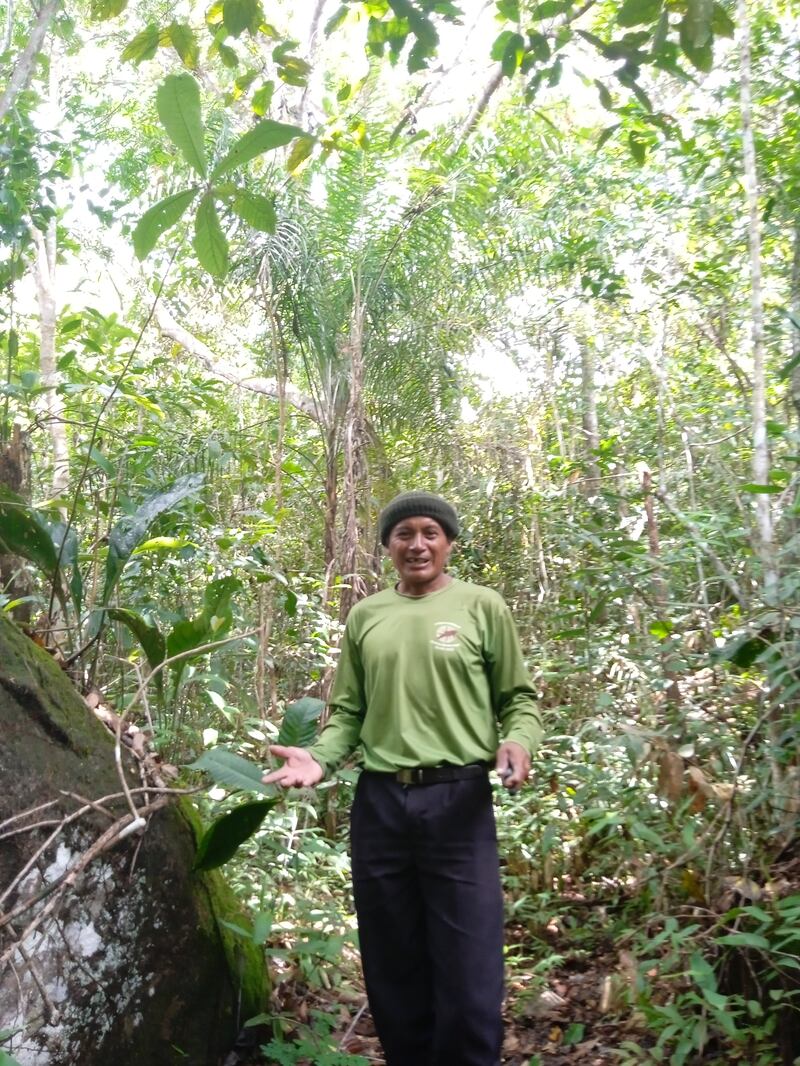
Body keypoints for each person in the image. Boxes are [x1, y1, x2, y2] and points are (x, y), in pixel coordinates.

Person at [263, 490, 543, 1066]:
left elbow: (519, 701)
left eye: (430, 532)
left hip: (458, 799)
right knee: (393, 963)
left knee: (469, 967)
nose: (417, 544)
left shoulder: (481, 606)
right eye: (404, 534)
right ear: (388, 546)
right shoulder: (367, 615)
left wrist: (518, 741)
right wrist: (320, 759)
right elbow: (348, 714)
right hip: (382, 803)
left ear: (448, 542)